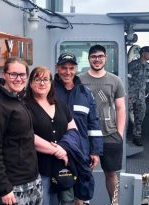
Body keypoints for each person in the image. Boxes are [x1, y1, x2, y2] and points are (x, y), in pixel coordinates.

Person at [0, 57, 42, 205]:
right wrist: (4, 188)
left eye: (22, 75)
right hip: (12, 186)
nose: (18, 79)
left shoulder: (20, 98)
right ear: (4, 75)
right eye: (13, 74)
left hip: (31, 179)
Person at [54, 52, 104, 205]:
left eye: (71, 68)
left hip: (81, 150)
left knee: (82, 189)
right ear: (57, 68)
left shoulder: (85, 93)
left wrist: (95, 151)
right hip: (58, 152)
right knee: (60, 190)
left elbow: (93, 123)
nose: (67, 72)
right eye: (63, 68)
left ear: (76, 69)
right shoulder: (49, 91)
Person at [79, 45, 126, 205]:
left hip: (109, 135)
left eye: (100, 56)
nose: (97, 59)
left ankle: (114, 203)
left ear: (105, 58)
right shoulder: (79, 80)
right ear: (89, 58)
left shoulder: (115, 80)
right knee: (84, 172)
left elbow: (120, 108)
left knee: (111, 174)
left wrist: (119, 134)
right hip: (85, 137)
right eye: (93, 56)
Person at [25, 66, 76, 205]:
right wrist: (57, 150)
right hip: (40, 170)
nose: (42, 83)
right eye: (37, 79)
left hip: (62, 167)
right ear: (30, 83)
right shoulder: (24, 106)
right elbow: (28, 136)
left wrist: (64, 148)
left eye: (46, 79)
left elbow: (73, 130)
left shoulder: (60, 104)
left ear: (51, 83)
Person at [127, 46, 149, 146]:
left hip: (141, 97)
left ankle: (137, 137)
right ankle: (121, 137)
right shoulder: (132, 65)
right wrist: (125, 94)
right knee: (124, 116)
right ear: (143, 53)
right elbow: (126, 80)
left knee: (139, 118)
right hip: (130, 96)